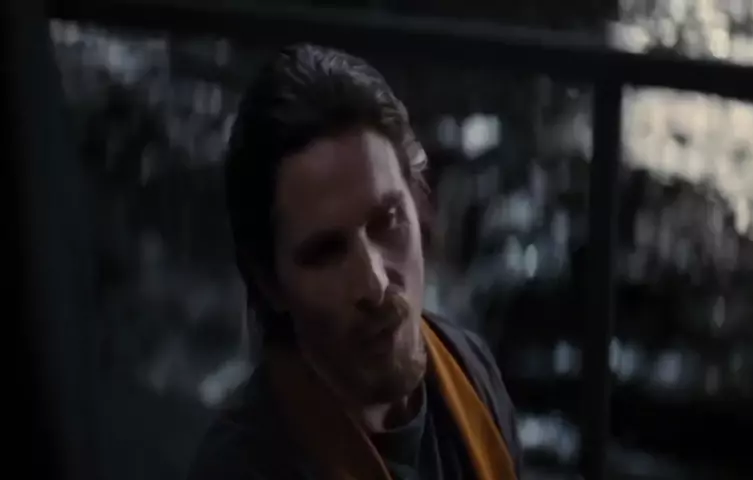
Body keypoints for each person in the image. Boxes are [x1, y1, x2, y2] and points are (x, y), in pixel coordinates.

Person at [187, 44, 522, 480]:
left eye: (388, 221)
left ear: (420, 207)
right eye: (326, 252)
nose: (374, 283)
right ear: (271, 283)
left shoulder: (470, 371)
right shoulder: (242, 469)